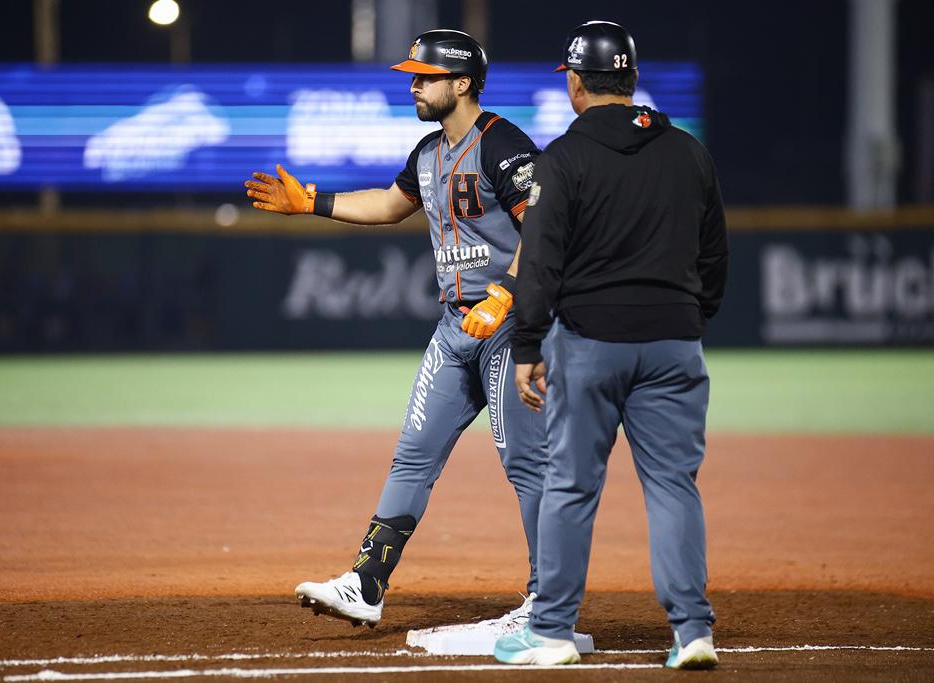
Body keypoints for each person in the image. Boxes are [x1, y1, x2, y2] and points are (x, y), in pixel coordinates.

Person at [245, 30, 591, 651]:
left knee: (525, 462)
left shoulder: (503, 144)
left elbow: (544, 225)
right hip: (456, 327)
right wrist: (313, 203)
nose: (414, 85)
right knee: (413, 454)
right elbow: (387, 204)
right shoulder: (430, 151)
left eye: (425, 76)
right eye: (413, 75)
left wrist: (507, 296)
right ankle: (366, 584)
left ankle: (548, 600)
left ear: (461, 83)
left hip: (512, 324)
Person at [492, 21, 729, 669]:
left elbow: (539, 264)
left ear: (574, 83)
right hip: (675, 342)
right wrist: (689, 318)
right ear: (631, 79)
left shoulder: (563, 159)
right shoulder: (688, 152)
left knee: (570, 485)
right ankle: (692, 628)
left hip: (591, 343)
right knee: (674, 486)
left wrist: (529, 344)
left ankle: (552, 632)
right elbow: (715, 258)